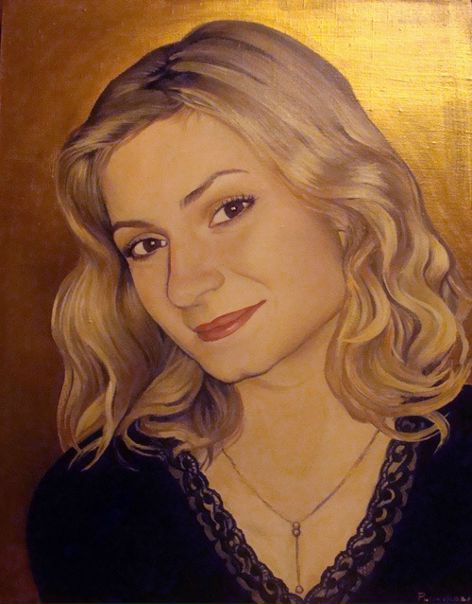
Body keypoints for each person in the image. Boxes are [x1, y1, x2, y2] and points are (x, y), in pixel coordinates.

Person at [27, 19, 472, 604]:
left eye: (229, 208)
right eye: (146, 244)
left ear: (343, 202)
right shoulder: (90, 508)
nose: (185, 285)